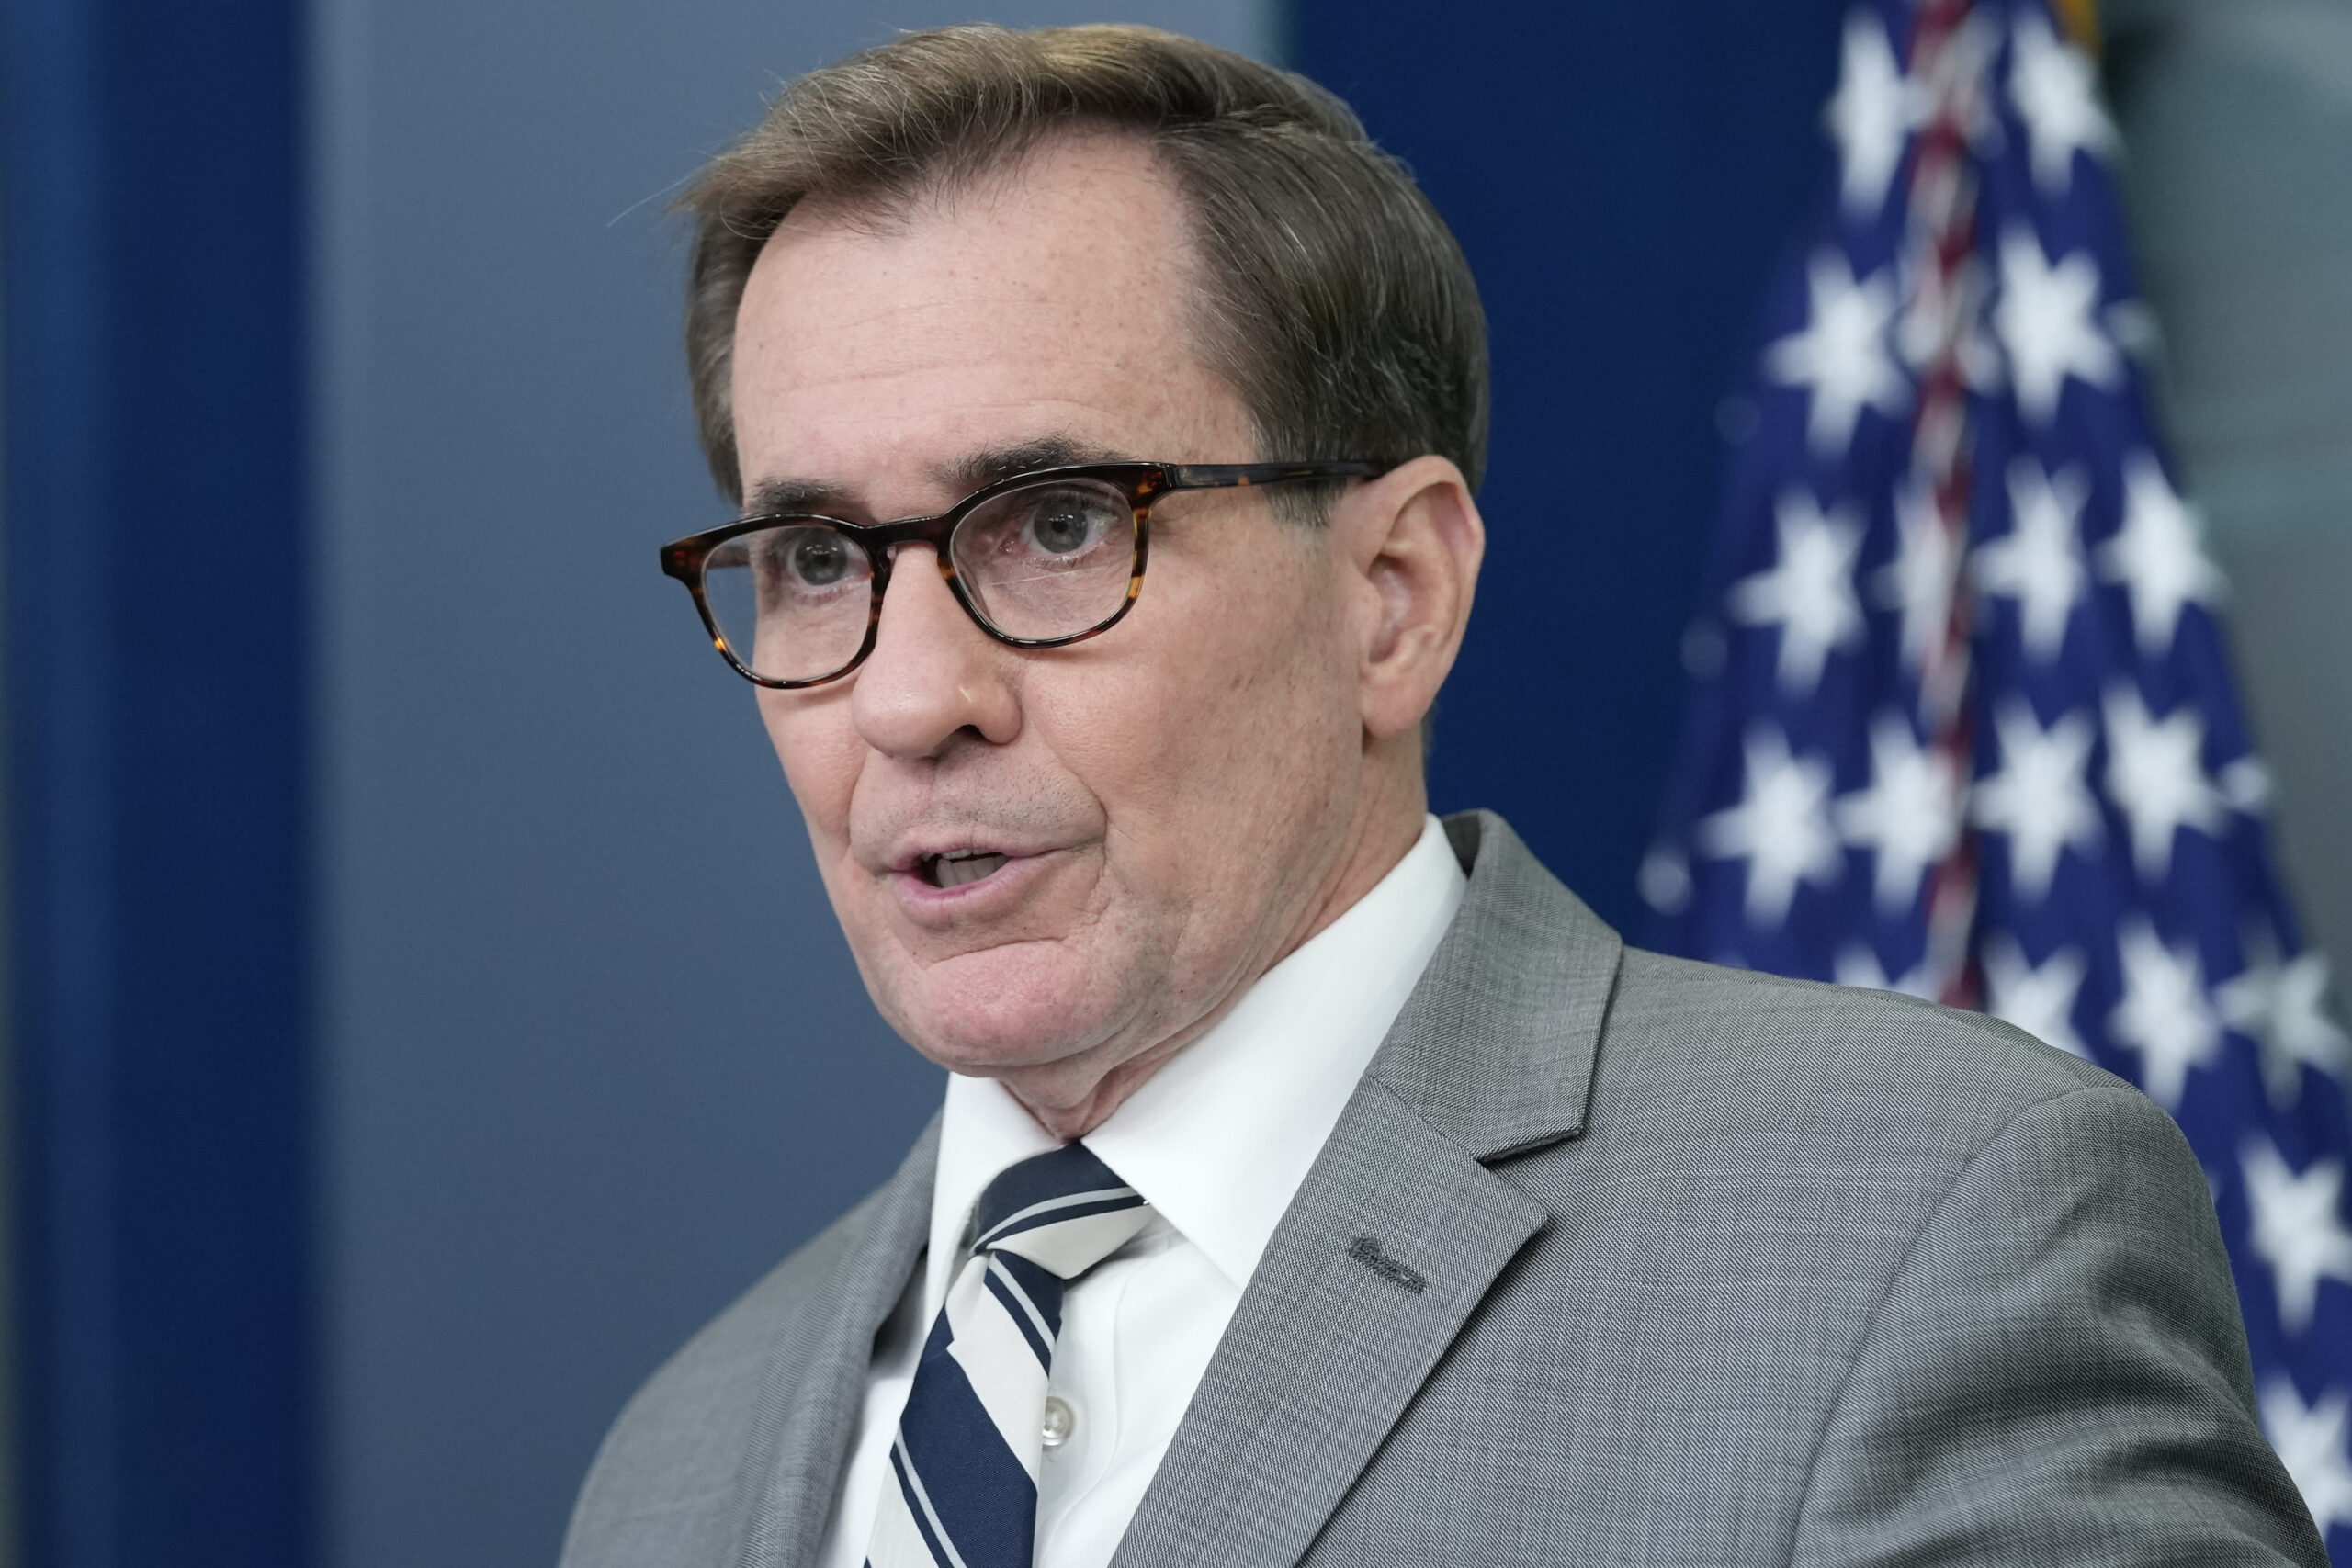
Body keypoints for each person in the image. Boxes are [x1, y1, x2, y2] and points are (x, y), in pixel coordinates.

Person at [561, 23, 2325, 1568]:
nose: (908, 696)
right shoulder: (683, 1461)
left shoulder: (1930, 1235)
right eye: (810, 555)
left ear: (1392, 594)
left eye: (1060, 526)